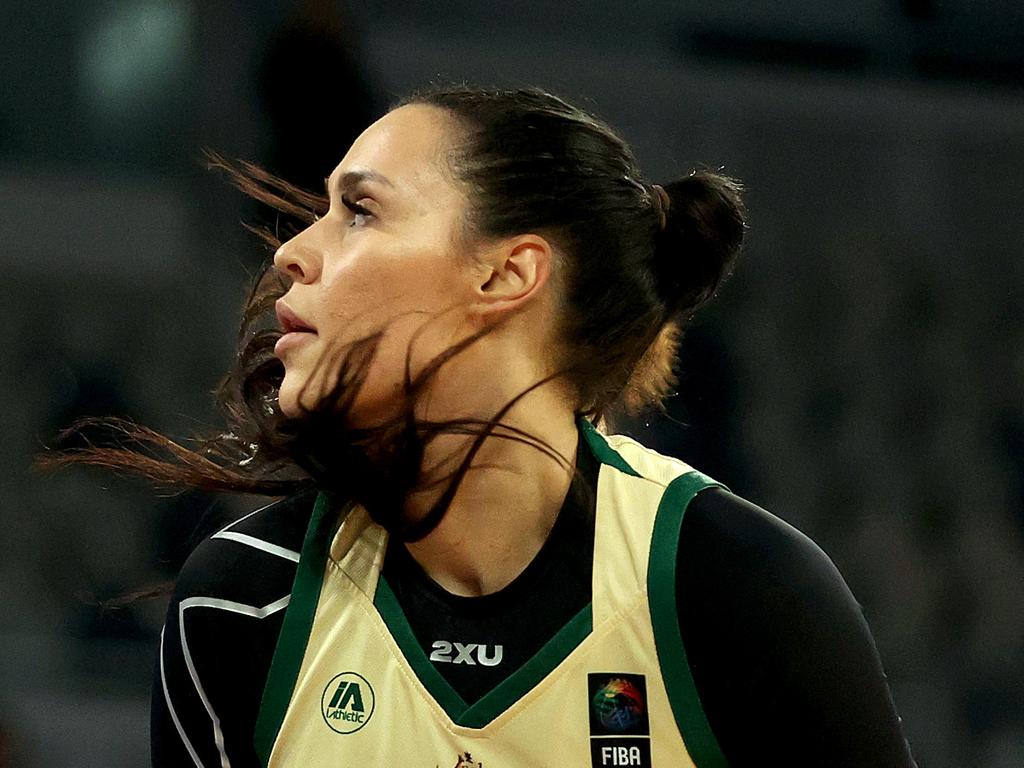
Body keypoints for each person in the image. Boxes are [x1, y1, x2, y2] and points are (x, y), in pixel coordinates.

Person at [47, 85, 916, 767]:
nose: (292, 252)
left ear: (507, 274)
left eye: (360, 210)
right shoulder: (240, 609)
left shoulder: (734, 594)